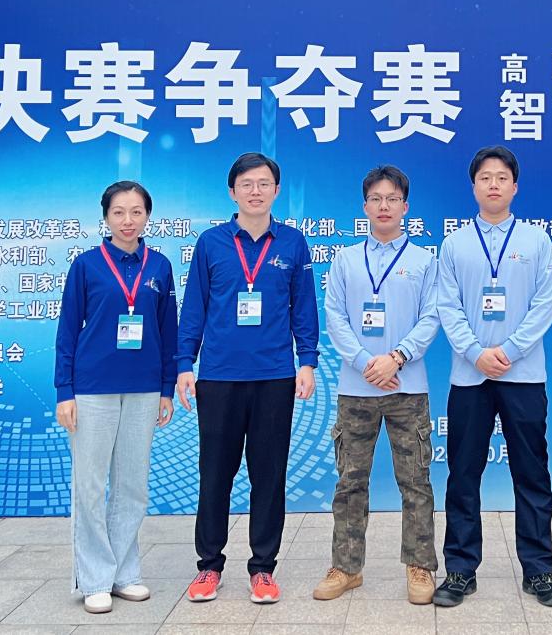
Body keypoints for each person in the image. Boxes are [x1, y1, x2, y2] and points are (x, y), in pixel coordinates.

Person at [177, 153, 319, 605]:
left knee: (269, 475)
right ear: (232, 191)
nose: (255, 191)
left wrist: (307, 361)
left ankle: (263, 568)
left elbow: (304, 307)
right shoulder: (211, 243)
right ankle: (209, 566)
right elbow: (194, 307)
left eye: (263, 184)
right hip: (219, 377)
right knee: (215, 473)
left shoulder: (293, 243)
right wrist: (185, 362)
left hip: (275, 376)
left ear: (276, 191)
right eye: (246, 184)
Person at [432, 146, 552, 608]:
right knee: (463, 474)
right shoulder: (455, 243)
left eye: (502, 177)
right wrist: (475, 353)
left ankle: (539, 569)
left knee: (532, 472)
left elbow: (545, 304)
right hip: (469, 377)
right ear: (473, 187)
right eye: (485, 177)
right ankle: (460, 569)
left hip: (522, 375)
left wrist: (508, 351)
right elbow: (447, 305)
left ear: (515, 186)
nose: (493, 184)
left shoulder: (537, 240)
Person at [314, 165, 440, 605]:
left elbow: (432, 317)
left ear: (406, 207)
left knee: (416, 481)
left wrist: (397, 357)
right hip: (356, 388)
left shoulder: (424, 261)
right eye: (376, 199)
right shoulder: (345, 259)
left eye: (392, 199)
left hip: (408, 386)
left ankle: (420, 567)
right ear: (364, 206)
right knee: (350, 481)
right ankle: (346, 568)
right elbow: (335, 317)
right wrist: (366, 361)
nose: (384, 206)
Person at [54, 180, 177, 614]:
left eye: (136, 212)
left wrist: (166, 388)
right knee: (89, 486)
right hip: (92, 388)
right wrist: (64, 391)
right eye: (119, 212)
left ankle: (124, 573)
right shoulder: (86, 265)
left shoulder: (159, 266)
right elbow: (68, 330)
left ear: (148, 216)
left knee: (132, 485)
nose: (128, 220)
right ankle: (94, 578)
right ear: (105, 217)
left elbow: (168, 330)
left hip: (144, 388)